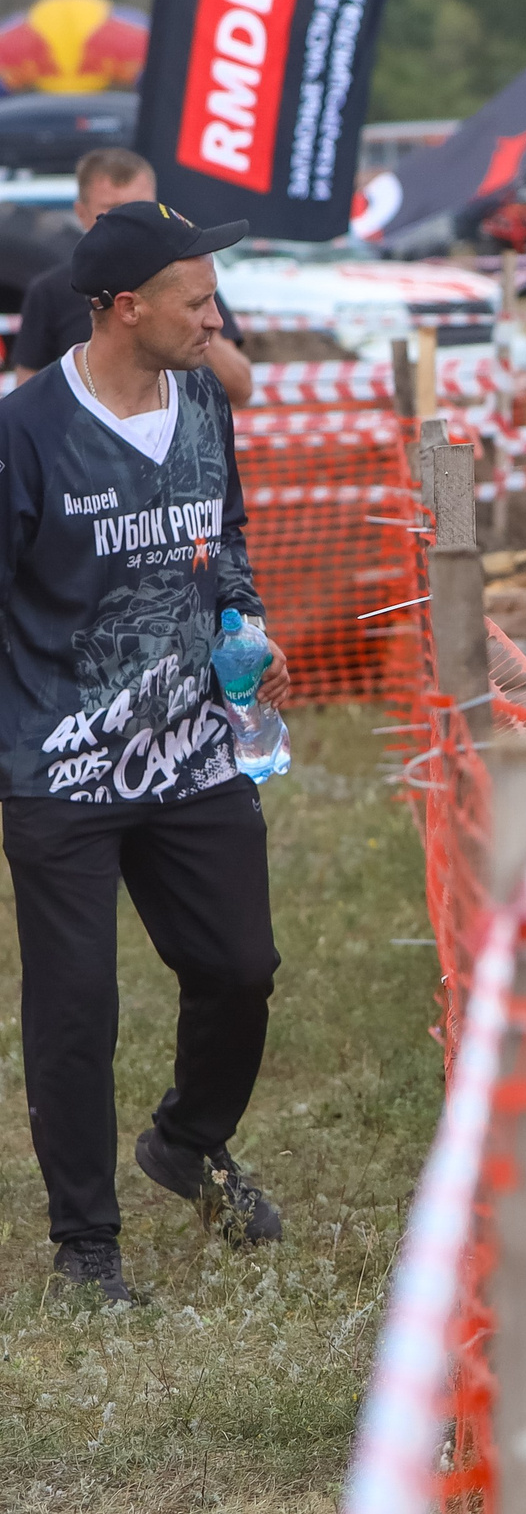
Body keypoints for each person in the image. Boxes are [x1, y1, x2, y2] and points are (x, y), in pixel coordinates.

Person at [2, 202, 291, 1303]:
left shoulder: (205, 397)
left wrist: (244, 625)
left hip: (192, 752)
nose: (215, 321)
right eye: (197, 303)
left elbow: (225, 540)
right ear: (128, 309)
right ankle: (87, 1245)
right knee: (75, 1005)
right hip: (59, 766)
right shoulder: (25, 433)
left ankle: (187, 1140)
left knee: (240, 968)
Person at [13, 148, 255, 410]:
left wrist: (195, 317)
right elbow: (28, 400)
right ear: (81, 213)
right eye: (112, 212)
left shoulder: (186, 275)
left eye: (141, 208)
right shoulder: (49, 291)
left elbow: (240, 389)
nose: (131, 223)